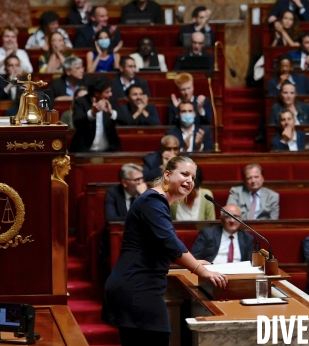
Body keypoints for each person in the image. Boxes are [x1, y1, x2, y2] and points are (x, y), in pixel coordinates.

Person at [104, 156, 227, 346]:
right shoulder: (152, 200)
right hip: (136, 286)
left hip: (139, 284)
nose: (190, 181)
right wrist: (201, 270)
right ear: (167, 175)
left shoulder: (157, 201)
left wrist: (194, 262)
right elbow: (170, 243)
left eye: (193, 177)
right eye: (184, 174)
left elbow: (157, 247)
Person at [70, 77, 130, 152]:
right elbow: (77, 123)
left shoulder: (112, 101)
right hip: (85, 150)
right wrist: (92, 113)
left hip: (108, 150)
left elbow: (126, 121)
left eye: (110, 91)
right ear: (97, 94)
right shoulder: (81, 102)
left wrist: (111, 113)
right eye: (107, 92)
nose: (110, 94)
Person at [190, 204, 254, 262]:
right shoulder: (208, 234)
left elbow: (250, 262)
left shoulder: (247, 238)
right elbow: (194, 257)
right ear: (221, 219)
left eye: (235, 216)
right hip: (212, 271)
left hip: (238, 272)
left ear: (240, 219)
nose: (232, 220)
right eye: (227, 216)